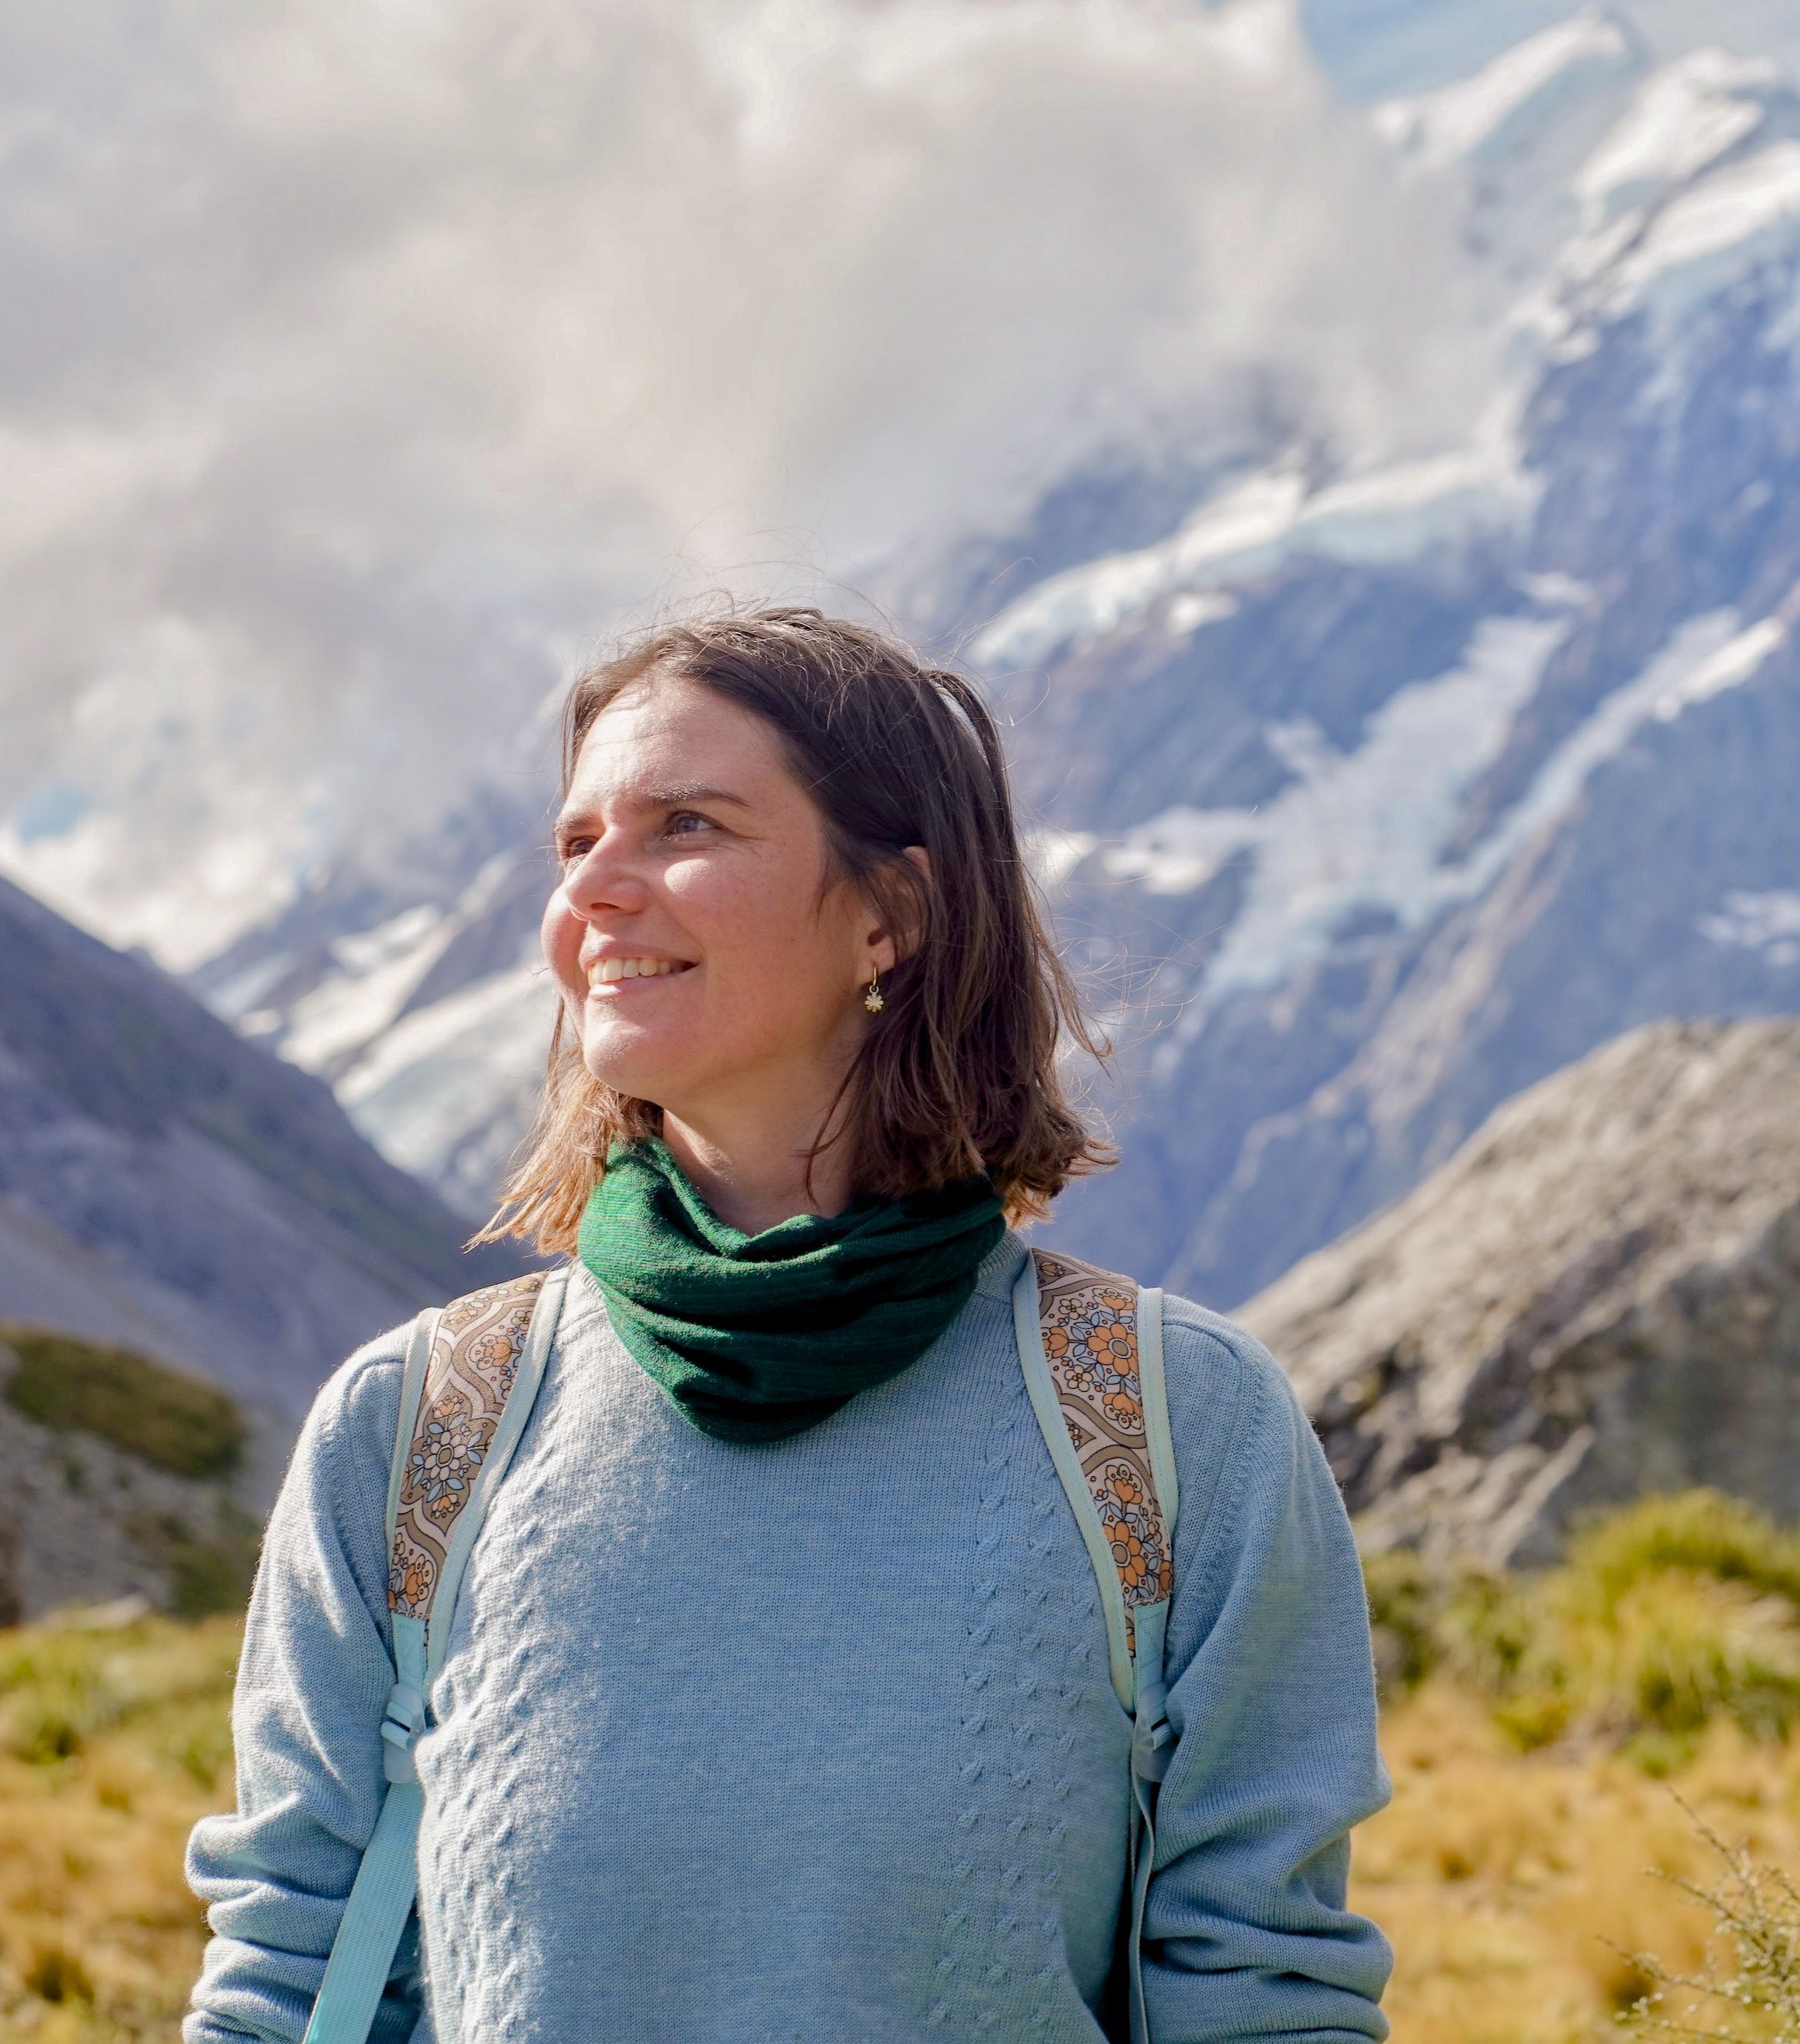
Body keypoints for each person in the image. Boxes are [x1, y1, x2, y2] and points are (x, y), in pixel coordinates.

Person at [184, 606, 1394, 2042]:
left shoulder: (1169, 1425)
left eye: (684, 825)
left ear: (893, 914)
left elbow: (1264, 2004)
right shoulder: (418, 1425)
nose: (597, 896)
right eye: (578, 846)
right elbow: (289, 1984)